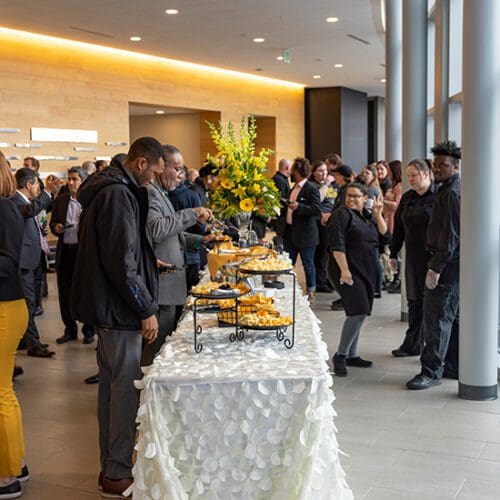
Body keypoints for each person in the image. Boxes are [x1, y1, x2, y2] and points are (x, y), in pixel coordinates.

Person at [70, 137, 164, 497]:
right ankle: (117, 472)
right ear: (140, 162)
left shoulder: (109, 188)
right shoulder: (118, 194)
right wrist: (145, 307)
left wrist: (148, 265)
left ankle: (110, 466)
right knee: (122, 392)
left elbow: (121, 251)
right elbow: (120, 263)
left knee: (112, 390)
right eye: (154, 171)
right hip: (119, 310)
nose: (154, 178)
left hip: (108, 308)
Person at [143, 153, 213, 366]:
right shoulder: (150, 193)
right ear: (162, 166)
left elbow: (172, 233)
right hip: (162, 284)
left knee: (165, 346)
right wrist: (191, 214)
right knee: (156, 353)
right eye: (177, 169)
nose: (180, 176)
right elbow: (157, 230)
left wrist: (202, 239)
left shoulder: (162, 193)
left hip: (171, 283)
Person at [406, 141, 461, 390]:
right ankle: (451, 365)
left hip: (447, 265)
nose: (438, 168)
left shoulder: (451, 193)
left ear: (456, 166)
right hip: (449, 263)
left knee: (436, 319)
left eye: (443, 165)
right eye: (435, 164)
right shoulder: (446, 188)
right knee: (449, 317)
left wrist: (436, 268)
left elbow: (450, 236)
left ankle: (431, 371)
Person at [328, 183, 388, 376]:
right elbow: (337, 244)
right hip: (346, 269)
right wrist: (344, 271)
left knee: (359, 312)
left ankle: (352, 354)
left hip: (365, 271)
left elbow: (385, 237)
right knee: (358, 311)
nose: (351, 199)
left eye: (356, 196)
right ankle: (340, 355)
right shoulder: (342, 214)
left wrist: (379, 215)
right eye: (348, 196)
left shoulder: (368, 216)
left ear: (365, 198)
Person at [0, 152, 30, 499]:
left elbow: (7, 262)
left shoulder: (5, 207)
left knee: (1, 392)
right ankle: (14, 462)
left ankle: (7, 476)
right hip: (6, 306)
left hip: (6, 307)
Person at [11, 168, 60, 358]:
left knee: (32, 303)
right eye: (37, 185)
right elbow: (30, 211)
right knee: (28, 304)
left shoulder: (26, 202)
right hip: (24, 262)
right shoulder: (14, 201)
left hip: (33, 259)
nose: (38, 188)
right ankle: (34, 344)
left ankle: (25, 339)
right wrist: (48, 191)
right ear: (29, 184)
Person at [390, 159, 437, 357]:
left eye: (414, 175)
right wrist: (393, 253)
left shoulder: (438, 197)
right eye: (408, 175)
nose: (410, 179)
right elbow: (399, 228)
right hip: (412, 257)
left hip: (432, 258)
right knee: (414, 301)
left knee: (431, 304)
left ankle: (431, 349)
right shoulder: (408, 197)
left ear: (426, 174)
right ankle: (412, 343)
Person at [50, 167, 94, 344]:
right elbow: (53, 223)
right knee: (64, 293)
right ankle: (70, 329)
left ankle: (89, 330)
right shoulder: (60, 201)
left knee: (86, 292)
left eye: (74, 179)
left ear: (82, 181)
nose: (70, 183)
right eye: (69, 179)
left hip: (83, 253)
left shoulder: (90, 201)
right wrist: (56, 228)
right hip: (65, 252)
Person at [165, 146, 207, 291]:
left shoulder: (167, 194)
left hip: (178, 256)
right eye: (177, 169)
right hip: (184, 256)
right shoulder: (191, 195)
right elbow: (160, 229)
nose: (179, 175)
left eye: (180, 170)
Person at [284, 157, 321, 301]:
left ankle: (311, 291)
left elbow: (316, 209)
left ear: (298, 171)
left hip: (306, 234)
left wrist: (299, 207)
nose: (291, 172)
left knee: (308, 264)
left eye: (293, 169)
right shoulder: (293, 187)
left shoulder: (311, 188)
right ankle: (288, 288)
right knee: (288, 262)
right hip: (291, 232)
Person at [310, 160, 336, 293]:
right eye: (320, 170)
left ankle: (326, 278)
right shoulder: (312, 186)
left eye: (325, 170)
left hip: (331, 220)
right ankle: (319, 281)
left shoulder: (331, 185)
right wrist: (325, 184)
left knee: (327, 253)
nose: (323, 173)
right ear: (313, 172)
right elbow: (317, 200)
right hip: (319, 222)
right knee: (321, 252)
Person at [383, 160, 403, 293]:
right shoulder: (393, 185)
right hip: (389, 219)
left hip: (394, 220)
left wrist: (382, 201)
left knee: (397, 252)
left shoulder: (399, 186)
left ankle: (397, 280)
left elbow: (398, 205)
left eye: (389, 170)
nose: (388, 173)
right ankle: (395, 278)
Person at [271, 158, 292, 248]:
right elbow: (281, 200)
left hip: (281, 218)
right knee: (281, 245)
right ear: (287, 167)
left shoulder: (280, 179)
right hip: (281, 219)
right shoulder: (279, 180)